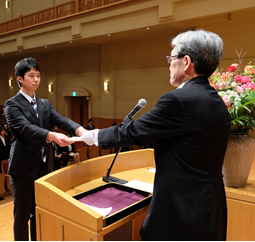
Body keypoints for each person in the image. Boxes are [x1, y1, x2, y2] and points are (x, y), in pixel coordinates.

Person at [81, 30, 231, 240]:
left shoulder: (178, 100)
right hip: (210, 205)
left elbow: (135, 131)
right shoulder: (215, 100)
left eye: (172, 58)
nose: (169, 64)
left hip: (181, 210)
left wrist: (91, 136)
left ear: (186, 62)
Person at [4, 57, 86, 241]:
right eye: (31, 75)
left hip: (43, 166)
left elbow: (61, 119)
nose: (36, 80)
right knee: (22, 215)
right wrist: (52, 136)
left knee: (39, 211)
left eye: (38, 76)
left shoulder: (44, 104)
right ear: (20, 79)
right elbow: (26, 128)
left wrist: (79, 129)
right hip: (23, 169)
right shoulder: (12, 105)